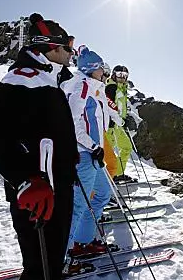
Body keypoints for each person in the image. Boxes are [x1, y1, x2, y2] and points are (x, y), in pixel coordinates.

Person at [0, 13, 79, 280]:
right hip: (39, 195)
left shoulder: (50, 79)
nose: (72, 53)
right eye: (68, 48)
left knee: (51, 266)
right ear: (51, 48)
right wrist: (24, 180)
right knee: (40, 271)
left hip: (56, 188)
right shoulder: (23, 78)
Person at [60, 45, 116, 258]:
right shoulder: (81, 86)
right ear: (92, 68)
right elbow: (73, 125)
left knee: (102, 194)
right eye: (101, 67)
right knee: (78, 205)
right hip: (85, 155)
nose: (104, 71)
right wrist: (92, 147)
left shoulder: (93, 87)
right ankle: (63, 258)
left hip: (94, 154)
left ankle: (82, 242)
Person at [105, 65, 135, 183]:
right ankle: (108, 177)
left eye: (125, 75)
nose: (122, 77)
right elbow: (108, 105)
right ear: (113, 74)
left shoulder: (122, 88)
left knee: (126, 148)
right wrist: (113, 121)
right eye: (119, 74)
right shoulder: (111, 87)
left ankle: (117, 174)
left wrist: (124, 118)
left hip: (118, 124)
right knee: (109, 153)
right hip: (110, 125)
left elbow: (120, 106)